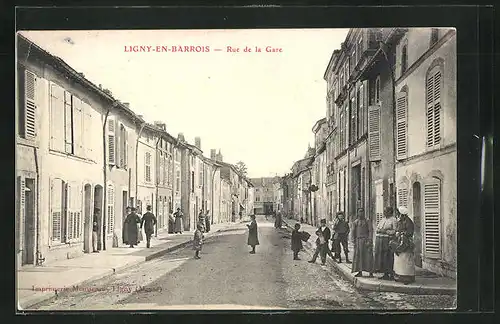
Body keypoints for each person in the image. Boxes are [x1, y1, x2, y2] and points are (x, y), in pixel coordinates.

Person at [391, 206, 416, 284]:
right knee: (400, 260)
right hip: (400, 241)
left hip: (406, 242)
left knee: (406, 260)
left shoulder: (409, 222)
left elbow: (409, 232)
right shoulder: (400, 221)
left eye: (399, 214)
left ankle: (408, 277)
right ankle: (400, 276)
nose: (398, 216)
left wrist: (401, 233)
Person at [374, 206, 398, 280]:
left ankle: (390, 273)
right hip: (380, 240)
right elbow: (377, 228)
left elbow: (395, 231)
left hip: (388, 240)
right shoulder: (383, 219)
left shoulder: (393, 220)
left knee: (388, 256)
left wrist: (386, 231)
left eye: (386, 211)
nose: (384, 213)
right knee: (382, 257)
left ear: (390, 212)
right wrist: (379, 230)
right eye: (384, 211)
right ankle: (385, 273)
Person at [352, 208, 374, 277]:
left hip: (366, 240)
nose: (361, 213)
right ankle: (360, 271)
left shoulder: (367, 221)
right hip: (358, 241)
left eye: (362, 212)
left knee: (368, 256)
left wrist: (370, 240)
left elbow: (370, 231)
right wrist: (354, 241)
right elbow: (353, 232)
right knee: (359, 256)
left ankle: (370, 272)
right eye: (359, 212)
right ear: (357, 213)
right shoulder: (355, 222)